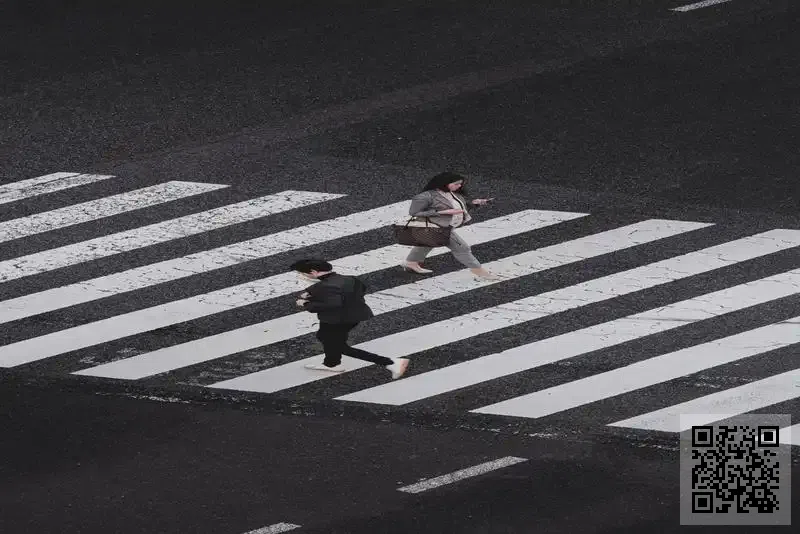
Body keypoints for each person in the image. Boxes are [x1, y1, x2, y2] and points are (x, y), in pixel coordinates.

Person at [291, 258, 410, 379]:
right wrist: (311, 292)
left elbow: (331, 304)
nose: (303, 276)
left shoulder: (325, 286)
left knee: (335, 344)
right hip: (355, 316)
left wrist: (305, 303)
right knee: (326, 337)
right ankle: (332, 363)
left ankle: (391, 363)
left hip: (336, 319)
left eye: (303, 273)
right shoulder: (350, 278)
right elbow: (356, 290)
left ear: (313, 272)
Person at [401, 172, 500, 280]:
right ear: (445, 183)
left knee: (428, 244)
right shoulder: (426, 196)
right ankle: (480, 272)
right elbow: (414, 212)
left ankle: (411, 262)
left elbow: (459, 207)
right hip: (437, 227)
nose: (459, 186)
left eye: (460, 184)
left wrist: (475, 203)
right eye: (456, 184)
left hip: (446, 226)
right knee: (462, 248)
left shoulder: (452, 194)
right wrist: (442, 212)